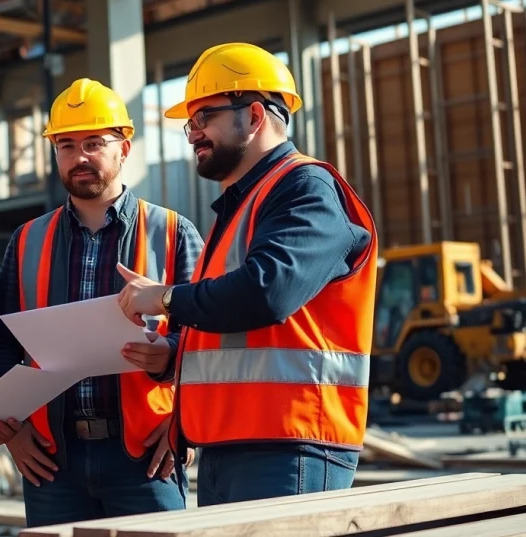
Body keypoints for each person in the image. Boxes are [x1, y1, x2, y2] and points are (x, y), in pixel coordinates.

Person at [115, 42, 378, 506]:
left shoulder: (306, 187)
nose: (192, 133)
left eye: (204, 117)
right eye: (189, 122)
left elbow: (267, 292)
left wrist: (166, 298)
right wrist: (172, 355)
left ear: (254, 115)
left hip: (291, 443)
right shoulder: (241, 207)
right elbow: (240, 339)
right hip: (229, 444)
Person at [0, 78, 204, 527]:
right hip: (51, 460)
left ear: (124, 149)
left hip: (145, 455)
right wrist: (15, 432)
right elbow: (4, 344)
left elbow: (206, 337)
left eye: (93, 143)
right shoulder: (27, 241)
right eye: (65, 145)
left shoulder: (172, 231)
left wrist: (184, 425)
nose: (78, 156)